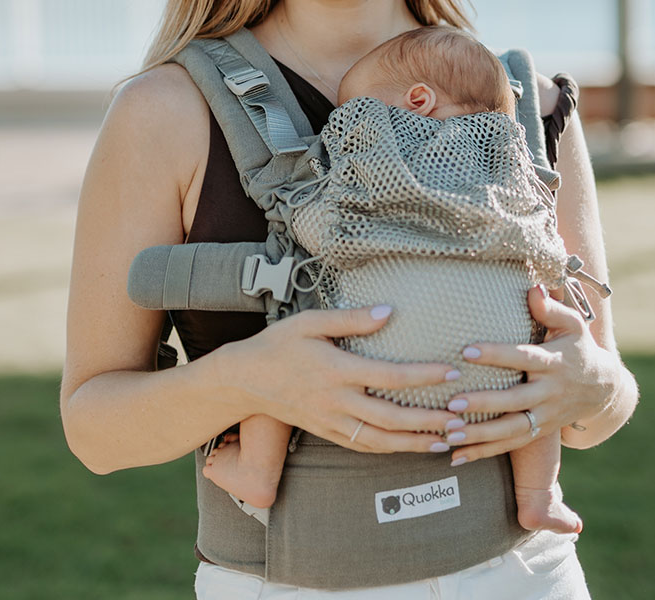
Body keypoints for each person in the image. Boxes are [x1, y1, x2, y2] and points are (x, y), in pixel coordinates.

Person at [60, 0, 639, 597]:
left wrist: (592, 386)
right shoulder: (164, 112)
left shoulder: (519, 99)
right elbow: (94, 431)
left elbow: (602, 403)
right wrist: (251, 379)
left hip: (525, 578)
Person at [201, 25, 583, 535]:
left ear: (417, 100)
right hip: (504, 379)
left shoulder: (379, 156)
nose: (339, 123)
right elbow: (550, 254)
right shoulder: (513, 170)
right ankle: (540, 495)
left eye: (349, 111)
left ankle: (256, 472)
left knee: (280, 349)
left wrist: (297, 224)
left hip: (374, 371)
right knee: (546, 352)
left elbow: (318, 224)